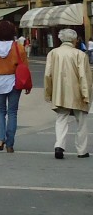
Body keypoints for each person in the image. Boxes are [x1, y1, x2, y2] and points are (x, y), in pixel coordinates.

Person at [0, 18, 29, 153]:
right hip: (15, 82)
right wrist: (27, 85)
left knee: (1, 111)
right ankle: (10, 144)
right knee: (12, 113)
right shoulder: (18, 47)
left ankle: (0, 138)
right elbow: (25, 67)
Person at [43, 27, 90, 159]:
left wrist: (48, 93)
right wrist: (86, 94)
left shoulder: (53, 53)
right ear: (74, 39)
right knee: (81, 122)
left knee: (61, 119)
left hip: (59, 92)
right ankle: (81, 150)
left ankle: (59, 145)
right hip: (77, 93)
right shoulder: (80, 54)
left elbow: (48, 75)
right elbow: (84, 77)